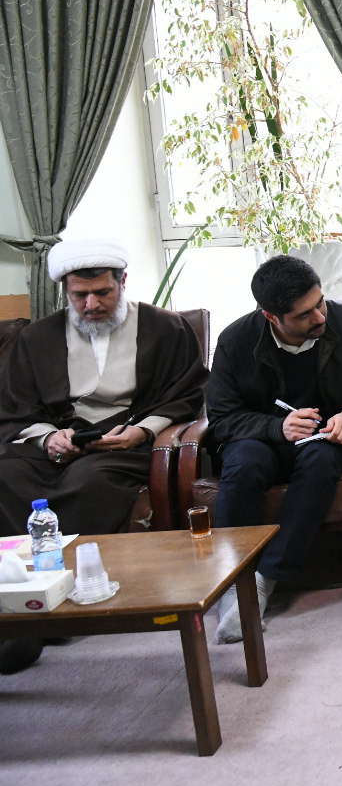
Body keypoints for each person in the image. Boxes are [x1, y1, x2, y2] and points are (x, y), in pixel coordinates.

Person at [0, 238, 207, 674]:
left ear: (123, 282)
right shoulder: (36, 337)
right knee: (7, 475)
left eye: (102, 293)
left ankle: (72, 601)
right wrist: (47, 438)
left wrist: (141, 431)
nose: (91, 305)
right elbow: (16, 405)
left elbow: (188, 394)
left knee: (89, 482)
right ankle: (25, 600)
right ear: (67, 291)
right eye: (80, 295)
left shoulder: (165, 328)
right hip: (59, 439)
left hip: (127, 442)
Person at [205, 255, 342, 642]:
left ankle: (264, 580)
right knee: (243, 464)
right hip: (262, 440)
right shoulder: (235, 339)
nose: (320, 317)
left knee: (320, 460)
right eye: (305, 314)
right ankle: (233, 581)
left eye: (320, 303)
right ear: (272, 317)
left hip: (328, 437)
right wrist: (276, 427)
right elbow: (222, 417)